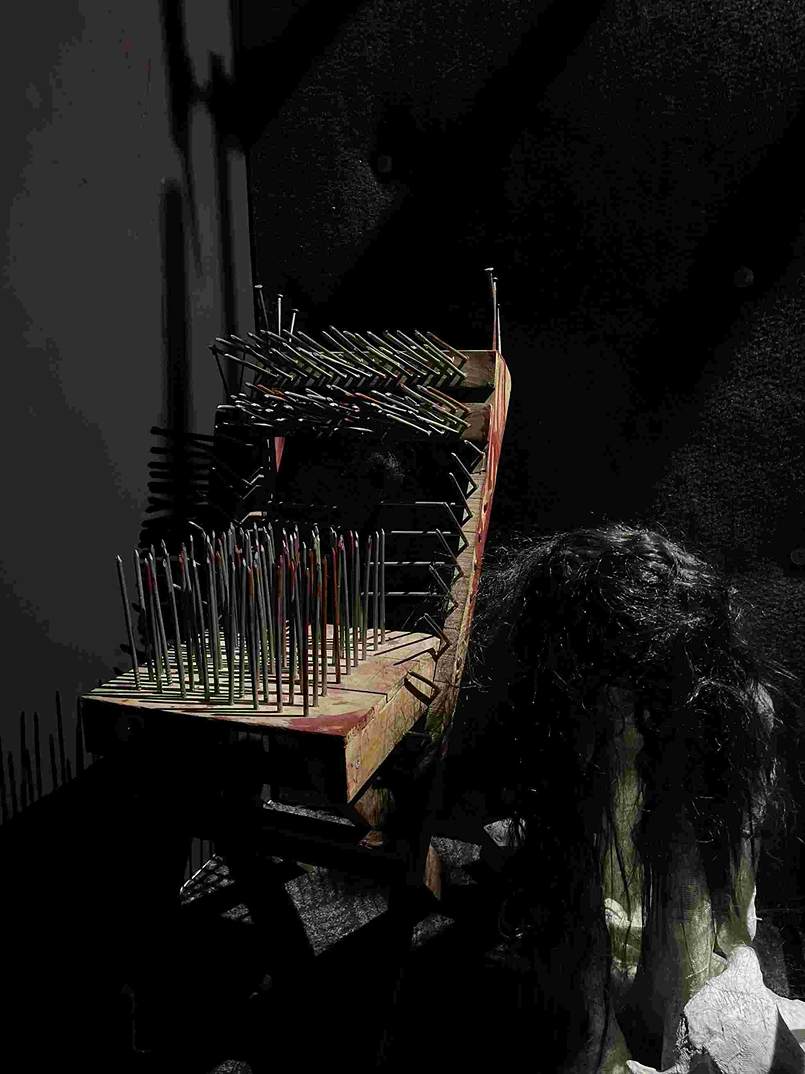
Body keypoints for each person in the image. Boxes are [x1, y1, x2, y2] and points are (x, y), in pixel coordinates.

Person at [478, 523, 802, 1072]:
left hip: (679, 848)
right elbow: (578, 878)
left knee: (688, 973)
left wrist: (680, 997)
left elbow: (706, 896)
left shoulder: (734, 713)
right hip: (596, 865)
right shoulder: (578, 723)